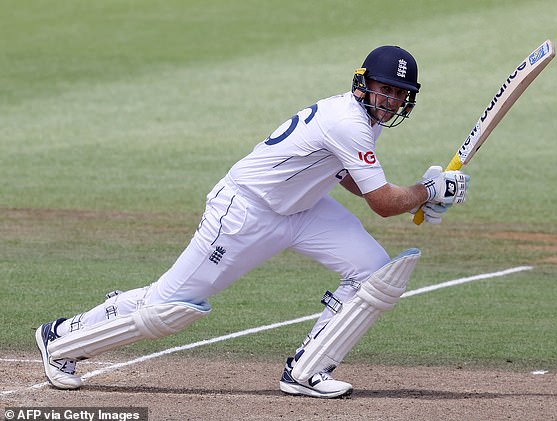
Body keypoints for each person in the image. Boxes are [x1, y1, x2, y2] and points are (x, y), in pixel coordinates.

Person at [35, 45, 470, 399]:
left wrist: (424, 194)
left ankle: (306, 372)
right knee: (169, 308)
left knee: (374, 273)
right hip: (245, 211)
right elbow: (382, 203)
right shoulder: (348, 121)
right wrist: (429, 191)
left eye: (399, 94)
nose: (390, 100)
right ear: (363, 85)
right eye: (384, 89)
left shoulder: (363, 122)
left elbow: (351, 180)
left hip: (303, 210)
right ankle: (61, 340)